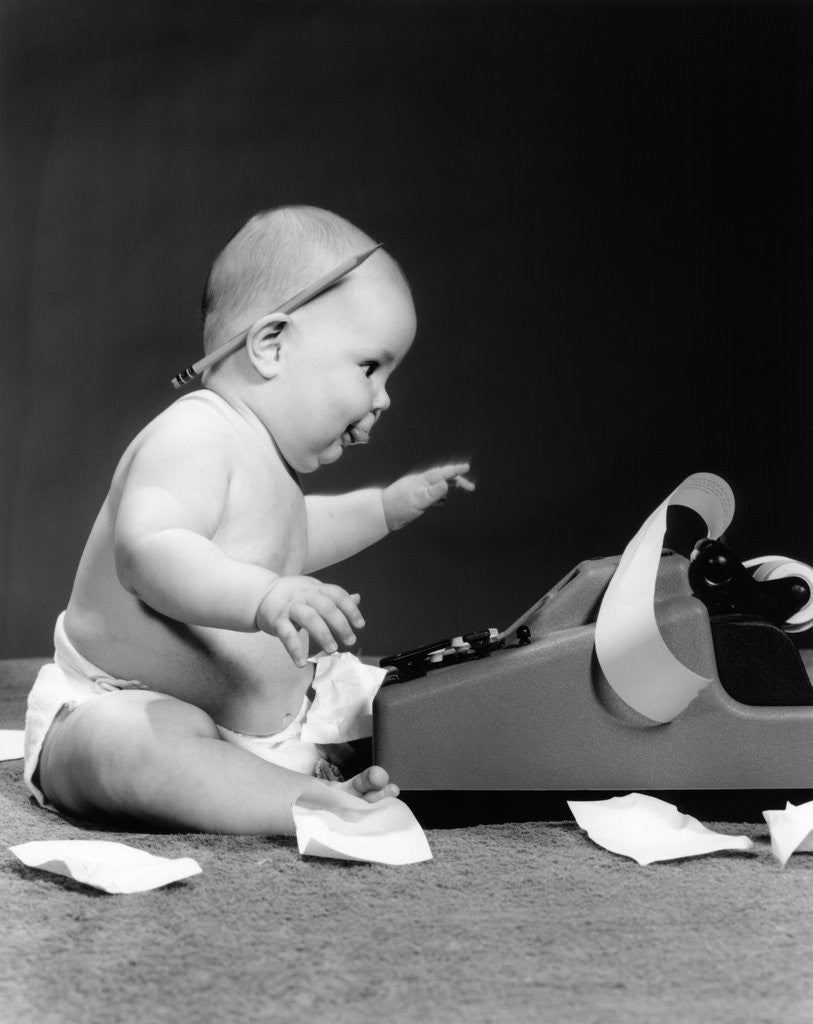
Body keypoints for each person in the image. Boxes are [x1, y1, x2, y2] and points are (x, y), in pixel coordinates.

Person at [23, 205, 473, 835]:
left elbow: (295, 537)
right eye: (370, 367)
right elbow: (150, 551)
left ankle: (301, 771)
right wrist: (265, 596)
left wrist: (383, 508)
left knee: (407, 704)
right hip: (125, 701)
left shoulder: (271, 467)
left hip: (266, 724)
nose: (384, 397)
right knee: (133, 749)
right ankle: (300, 802)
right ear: (270, 345)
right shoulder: (195, 433)